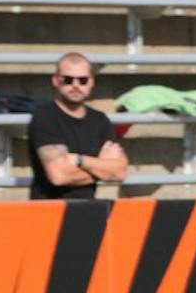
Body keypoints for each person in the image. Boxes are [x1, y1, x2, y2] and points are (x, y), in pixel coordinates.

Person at [28, 52, 128, 200]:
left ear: (92, 82)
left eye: (83, 80)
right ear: (55, 80)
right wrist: (101, 168)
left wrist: (78, 160)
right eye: (68, 80)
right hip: (49, 211)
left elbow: (120, 172)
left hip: (87, 209)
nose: (76, 85)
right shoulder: (45, 117)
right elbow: (59, 176)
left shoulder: (100, 120)